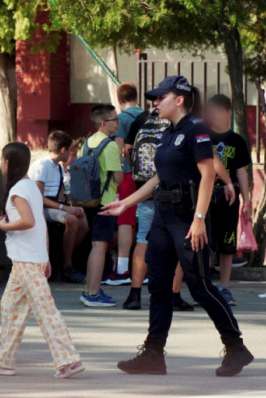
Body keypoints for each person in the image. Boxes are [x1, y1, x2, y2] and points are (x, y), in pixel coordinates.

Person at [101, 76, 253, 377]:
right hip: (163, 214)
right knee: (158, 286)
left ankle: (236, 347)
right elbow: (161, 177)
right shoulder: (168, 132)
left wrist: (199, 220)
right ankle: (153, 354)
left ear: (179, 99)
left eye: (160, 98)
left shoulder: (195, 128)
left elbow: (208, 174)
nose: (155, 103)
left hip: (187, 216)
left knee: (199, 286)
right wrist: (126, 203)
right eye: (154, 99)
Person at [0, 142, 84, 379]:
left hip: (27, 259)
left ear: (7, 162)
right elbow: (41, 224)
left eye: (2, 161)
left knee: (45, 309)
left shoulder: (18, 190)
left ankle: (69, 359)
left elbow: (28, 221)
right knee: (9, 305)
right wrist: (46, 258)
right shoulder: (31, 188)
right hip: (26, 259)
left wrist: (3, 225)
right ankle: (4, 361)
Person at [121, 104, 193, 311]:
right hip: (174, 191)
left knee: (143, 238)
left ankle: (134, 295)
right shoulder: (181, 120)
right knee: (178, 241)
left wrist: (140, 179)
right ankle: (174, 295)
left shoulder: (141, 119)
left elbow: (127, 150)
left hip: (144, 190)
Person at [204, 94, 252, 306]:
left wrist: (247, 201)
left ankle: (224, 287)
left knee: (227, 244)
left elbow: (241, 172)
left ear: (228, 113)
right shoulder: (203, 137)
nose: (213, 115)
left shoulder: (237, 141)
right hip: (205, 197)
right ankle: (205, 287)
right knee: (204, 243)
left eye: (217, 111)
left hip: (229, 199)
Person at [28, 130, 88, 284]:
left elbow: (62, 193)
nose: (70, 154)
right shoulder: (43, 165)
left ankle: (63, 257)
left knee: (83, 222)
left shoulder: (59, 167)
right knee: (71, 220)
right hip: (40, 207)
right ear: (63, 150)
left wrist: (72, 205)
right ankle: (67, 265)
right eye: (69, 150)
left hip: (54, 204)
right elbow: (38, 198)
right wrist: (64, 209)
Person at [79, 104, 122, 308]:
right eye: (114, 120)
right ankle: (93, 294)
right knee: (100, 246)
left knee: (95, 245)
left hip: (89, 200)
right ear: (104, 123)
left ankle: (89, 288)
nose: (118, 123)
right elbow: (119, 178)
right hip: (105, 202)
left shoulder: (87, 142)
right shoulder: (111, 146)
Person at [103, 83, 144, 286]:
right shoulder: (149, 116)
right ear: (136, 96)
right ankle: (147, 267)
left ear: (119, 100)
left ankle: (122, 268)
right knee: (146, 219)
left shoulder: (122, 119)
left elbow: (118, 150)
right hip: (150, 176)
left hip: (128, 174)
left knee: (125, 220)